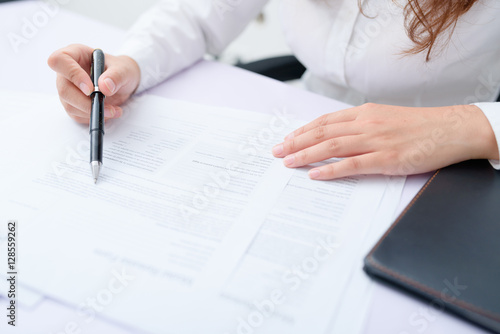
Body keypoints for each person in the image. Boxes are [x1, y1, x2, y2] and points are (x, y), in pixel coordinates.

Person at [47, 0, 500, 180]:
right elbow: (199, 13)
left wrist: (472, 125)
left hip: (455, 171)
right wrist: (130, 64)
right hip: (302, 130)